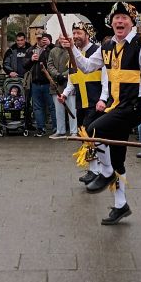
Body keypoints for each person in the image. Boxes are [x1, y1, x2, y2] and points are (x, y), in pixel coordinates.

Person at [61, 2, 141, 225]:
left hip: (135, 105)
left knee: (93, 129)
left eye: (124, 18)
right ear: (111, 22)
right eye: (116, 17)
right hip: (118, 106)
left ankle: (105, 172)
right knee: (118, 158)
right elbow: (87, 66)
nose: (119, 21)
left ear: (132, 22)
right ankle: (120, 204)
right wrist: (72, 50)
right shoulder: (106, 47)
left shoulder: (140, 46)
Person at [61, 20, 108, 185]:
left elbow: (106, 79)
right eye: (74, 33)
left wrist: (103, 98)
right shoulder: (73, 55)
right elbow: (72, 79)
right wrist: (65, 94)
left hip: (96, 103)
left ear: (87, 35)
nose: (76, 36)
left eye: (79, 33)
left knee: (92, 135)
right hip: (81, 102)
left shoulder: (98, 52)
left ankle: (98, 170)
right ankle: (94, 169)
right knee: (85, 136)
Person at [47, 35, 77, 139]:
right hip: (56, 83)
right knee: (58, 109)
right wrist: (57, 75)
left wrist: (64, 75)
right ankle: (60, 130)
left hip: (70, 82)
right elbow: (50, 65)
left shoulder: (73, 50)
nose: (63, 40)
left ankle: (74, 131)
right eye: (61, 38)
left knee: (72, 108)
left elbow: (74, 64)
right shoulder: (53, 51)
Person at [29, 32, 55, 136]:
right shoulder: (31, 50)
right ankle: (40, 128)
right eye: (38, 39)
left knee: (52, 106)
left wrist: (50, 44)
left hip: (48, 83)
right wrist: (31, 60)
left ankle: (56, 128)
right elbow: (24, 64)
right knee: (37, 107)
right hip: (35, 83)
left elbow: (57, 56)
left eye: (42, 39)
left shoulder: (51, 49)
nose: (40, 41)